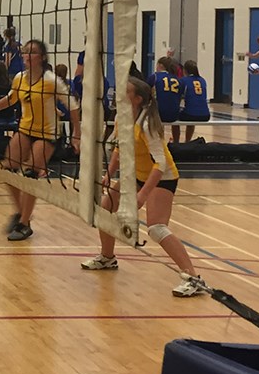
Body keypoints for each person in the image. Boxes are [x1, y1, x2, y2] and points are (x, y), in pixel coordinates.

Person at [81, 76, 206, 298]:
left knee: (156, 228)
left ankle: (193, 278)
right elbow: (120, 150)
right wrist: (107, 177)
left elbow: (161, 164)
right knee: (105, 209)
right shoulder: (122, 117)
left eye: (125, 91)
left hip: (161, 177)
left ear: (138, 99)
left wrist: (142, 195)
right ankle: (107, 257)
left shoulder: (147, 125)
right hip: (135, 173)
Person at [0, 39, 81, 241]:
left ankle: (24, 224)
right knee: (7, 168)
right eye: (25, 52)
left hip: (48, 134)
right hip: (25, 129)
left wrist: (76, 134)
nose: (26, 55)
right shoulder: (20, 78)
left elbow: (73, 105)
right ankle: (22, 214)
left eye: (32, 52)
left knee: (30, 174)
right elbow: (10, 99)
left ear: (42, 57)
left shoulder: (51, 80)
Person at [148, 57, 183, 143]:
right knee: (175, 114)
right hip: (174, 114)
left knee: (154, 108)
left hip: (159, 113)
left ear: (160, 65)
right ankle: (176, 142)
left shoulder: (155, 77)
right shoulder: (178, 79)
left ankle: (159, 140)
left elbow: (146, 93)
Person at [178, 60, 210, 142]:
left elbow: (178, 96)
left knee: (174, 117)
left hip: (190, 114)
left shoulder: (184, 80)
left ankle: (176, 142)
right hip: (206, 115)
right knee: (191, 113)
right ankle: (187, 141)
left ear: (185, 70)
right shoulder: (202, 80)